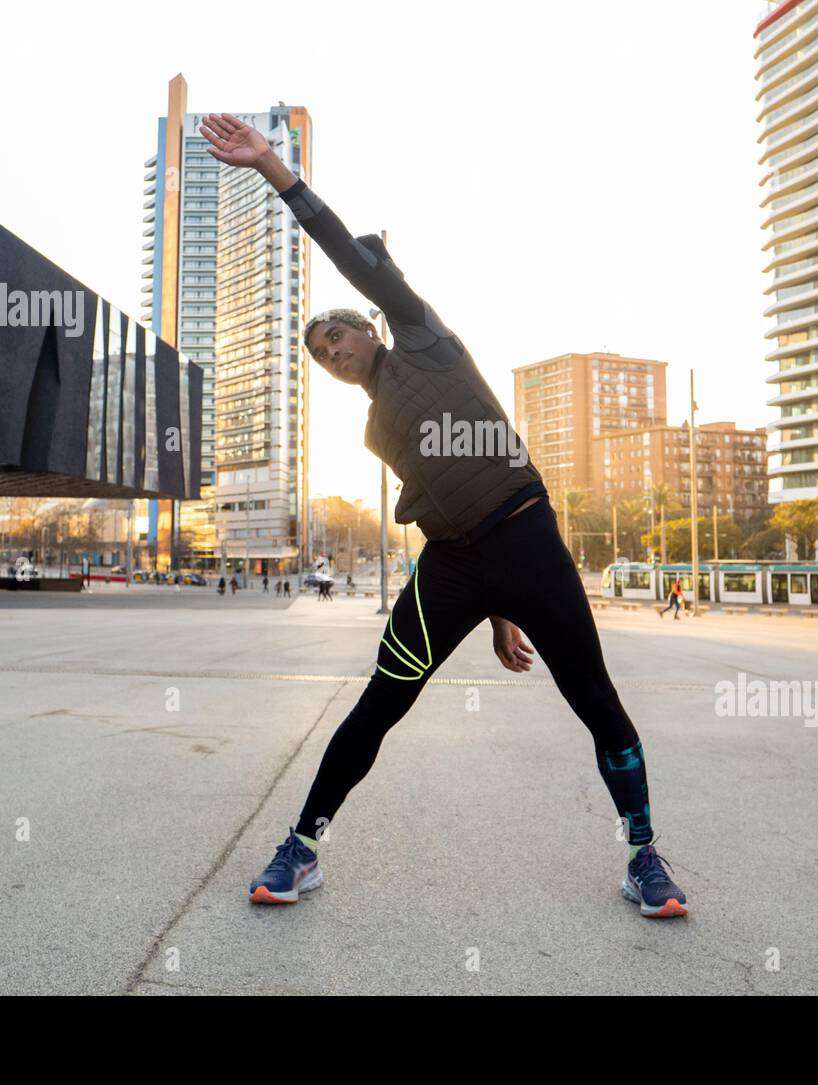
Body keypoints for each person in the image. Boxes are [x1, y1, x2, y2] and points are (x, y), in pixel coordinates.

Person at [202, 115, 686, 919]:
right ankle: (302, 845)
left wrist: (277, 174)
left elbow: (349, 255)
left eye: (336, 334)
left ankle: (643, 855)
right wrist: (495, 614)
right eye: (319, 353)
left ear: (368, 326)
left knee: (595, 699)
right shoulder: (372, 428)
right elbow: (445, 505)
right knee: (378, 704)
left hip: (528, 538)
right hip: (454, 565)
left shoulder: (424, 339)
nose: (330, 350)